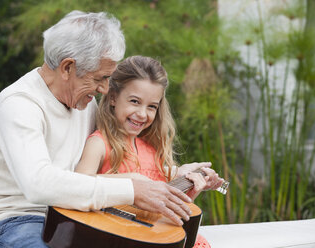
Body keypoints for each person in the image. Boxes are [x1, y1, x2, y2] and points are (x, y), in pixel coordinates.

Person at [0, 11, 208, 248]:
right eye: (100, 78)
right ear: (67, 68)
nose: (105, 89)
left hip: (79, 216)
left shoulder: (85, 103)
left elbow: (119, 159)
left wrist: (171, 174)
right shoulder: (19, 104)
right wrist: (132, 190)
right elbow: (39, 184)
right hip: (18, 221)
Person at [75, 55, 225, 248]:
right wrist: (132, 180)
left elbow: (159, 217)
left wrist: (191, 190)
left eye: (152, 106)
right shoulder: (100, 143)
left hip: (148, 238)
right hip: (114, 239)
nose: (142, 114)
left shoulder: (152, 150)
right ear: (113, 97)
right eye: (135, 101)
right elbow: (77, 184)